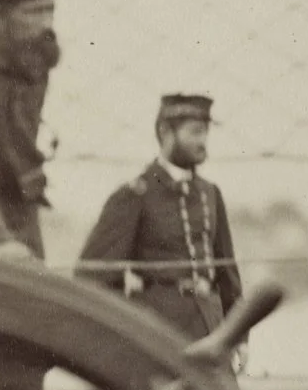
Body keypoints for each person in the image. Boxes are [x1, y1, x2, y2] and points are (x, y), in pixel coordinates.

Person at [75, 94, 244, 341]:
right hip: (158, 331)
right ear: (166, 132)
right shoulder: (135, 194)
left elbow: (227, 273)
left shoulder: (210, 193)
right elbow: (93, 275)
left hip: (213, 330)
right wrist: (129, 327)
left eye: (205, 132)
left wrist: (238, 338)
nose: (203, 141)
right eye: (195, 132)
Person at [0, 0, 63, 390]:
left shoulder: (33, 61)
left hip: (19, 209)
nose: (47, 25)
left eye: (50, 10)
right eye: (32, 14)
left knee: (35, 334)